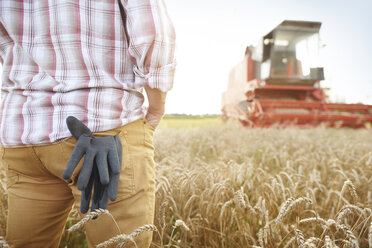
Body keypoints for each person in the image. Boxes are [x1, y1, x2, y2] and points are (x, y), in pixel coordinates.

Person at [0, 0, 175, 247]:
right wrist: (156, 105)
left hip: (23, 134)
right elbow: (152, 29)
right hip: (104, 129)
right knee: (120, 241)